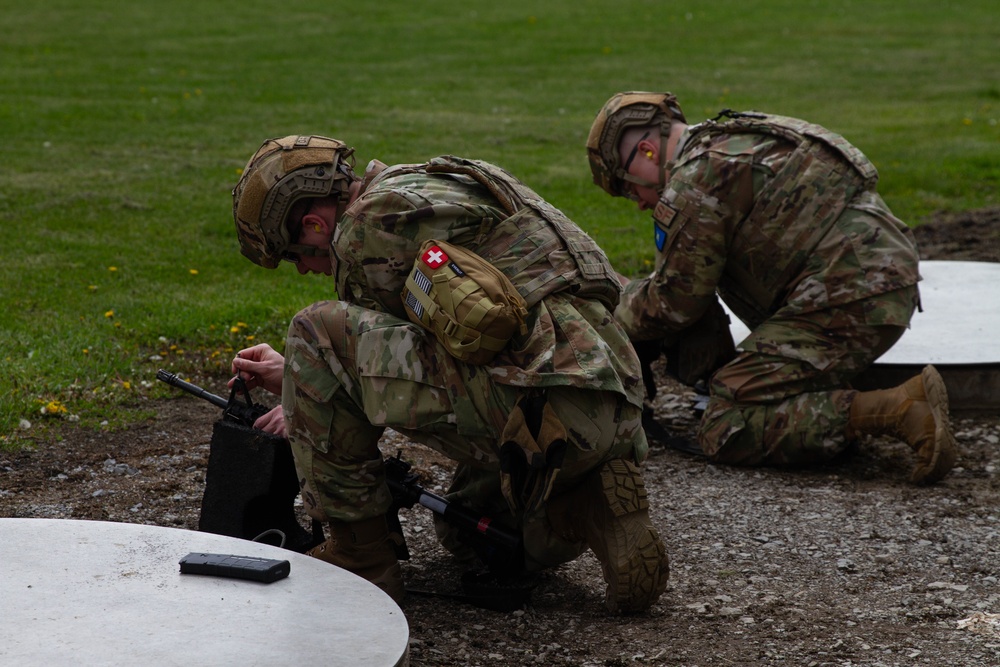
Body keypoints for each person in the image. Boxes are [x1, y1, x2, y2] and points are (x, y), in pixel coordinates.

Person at [227, 134, 669, 614]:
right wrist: (296, 378)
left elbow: (343, 366)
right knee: (466, 529)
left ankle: (361, 560)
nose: (304, 270)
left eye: (297, 256)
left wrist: (304, 397)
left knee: (313, 332)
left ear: (314, 223)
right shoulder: (438, 184)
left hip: (542, 398)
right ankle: (582, 507)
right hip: (609, 393)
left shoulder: (366, 230)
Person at [586, 91, 957, 484]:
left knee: (725, 425)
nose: (640, 203)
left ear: (647, 151)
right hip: (878, 281)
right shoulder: (739, 136)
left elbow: (674, 303)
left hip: (848, 300)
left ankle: (900, 409)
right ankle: (816, 403)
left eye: (628, 188)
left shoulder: (693, 184)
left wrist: (613, 315)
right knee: (740, 387)